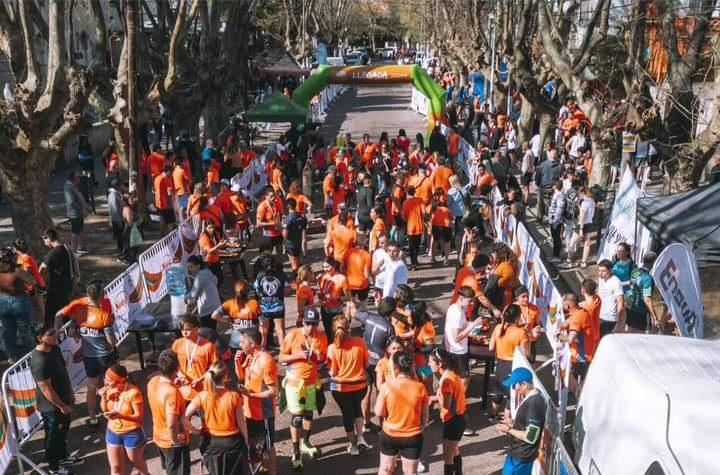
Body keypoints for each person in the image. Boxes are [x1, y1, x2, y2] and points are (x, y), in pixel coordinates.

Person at [55, 281, 117, 426]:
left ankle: (93, 417)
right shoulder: (104, 315)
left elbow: (61, 317)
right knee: (112, 385)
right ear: (101, 296)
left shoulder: (79, 309)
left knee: (91, 387)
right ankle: (111, 412)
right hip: (106, 356)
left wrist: (59, 332)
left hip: (89, 357)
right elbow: (111, 341)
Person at [279, 307, 328, 469]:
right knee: (297, 418)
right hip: (295, 383)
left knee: (308, 414)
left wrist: (315, 357)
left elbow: (323, 358)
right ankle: (296, 453)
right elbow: (281, 358)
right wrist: (298, 356)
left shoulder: (321, 337)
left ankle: (306, 442)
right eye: (307, 323)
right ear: (302, 322)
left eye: (313, 324)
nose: (310, 327)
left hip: (312, 383)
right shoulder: (293, 335)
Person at [31, 326, 82, 475]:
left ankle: (63, 457)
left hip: (64, 399)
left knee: (63, 431)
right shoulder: (39, 361)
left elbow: (64, 371)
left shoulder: (55, 349)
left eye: (55, 332)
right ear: (40, 338)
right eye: (50, 334)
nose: (56, 335)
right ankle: (54, 468)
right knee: (52, 436)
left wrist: (70, 392)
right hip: (51, 407)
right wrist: (60, 406)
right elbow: (46, 389)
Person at [185, 361, 247, 475]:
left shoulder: (202, 396)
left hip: (210, 443)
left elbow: (184, 417)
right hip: (232, 443)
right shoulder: (234, 396)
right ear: (226, 376)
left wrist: (195, 431)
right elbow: (241, 422)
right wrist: (247, 439)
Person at [374, 351, 429, 475]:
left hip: (390, 434)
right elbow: (425, 418)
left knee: (385, 469)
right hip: (412, 436)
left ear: (394, 368)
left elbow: (378, 412)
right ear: (411, 367)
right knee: (410, 472)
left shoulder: (387, 386)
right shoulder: (420, 388)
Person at [235, 327, 278, 475]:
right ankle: (263, 468)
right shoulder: (249, 357)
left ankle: (273, 472)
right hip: (249, 410)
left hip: (263, 412)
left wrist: (251, 395)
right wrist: (236, 363)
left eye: (242, 342)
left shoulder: (266, 360)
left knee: (267, 445)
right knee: (254, 443)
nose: (240, 345)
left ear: (252, 344)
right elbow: (242, 378)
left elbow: (273, 391)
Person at [327, 315, 372, 455]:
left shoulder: (332, 348)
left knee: (347, 414)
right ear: (349, 328)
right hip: (360, 385)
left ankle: (353, 446)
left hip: (341, 388)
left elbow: (333, 372)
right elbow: (366, 364)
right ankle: (360, 438)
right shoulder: (360, 342)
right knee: (357, 409)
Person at [495, 367, 547, 475]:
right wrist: (513, 423)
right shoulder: (531, 398)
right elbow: (526, 424)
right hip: (517, 453)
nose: (514, 389)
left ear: (524, 384)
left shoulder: (534, 403)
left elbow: (531, 437)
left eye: (515, 385)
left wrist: (508, 429)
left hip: (522, 456)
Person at [147, 350, 191, 475]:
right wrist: (176, 443)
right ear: (177, 368)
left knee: (168, 470)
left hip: (159, 436)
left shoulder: (152, 382)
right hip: (172, 441)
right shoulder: (172, 392)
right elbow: (172, 423)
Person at [100, 365, 149, 475]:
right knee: (115, 468)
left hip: (132, 433)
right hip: (113, 431)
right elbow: (104, 409)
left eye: (109, 380)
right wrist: (103, 398)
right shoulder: (108, 389)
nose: (105, 382)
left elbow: (139, 417)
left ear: (119, 381)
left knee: (136, 461)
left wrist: (120, 416)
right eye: (105, 379)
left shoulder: (133, 392)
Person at [428, 349, 467, 475]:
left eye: (431, 362)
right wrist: (432, 398)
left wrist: (435, 399)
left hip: (453, 421)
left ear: (439, 364)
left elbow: (446, 403)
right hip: (459, 418)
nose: (429, 364)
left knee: (447, 459)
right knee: (455, 451)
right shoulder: (452, 374)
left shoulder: (446, 381)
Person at [489, 304, 530, 417]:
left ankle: (493, 415)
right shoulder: (521, 333)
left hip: (500, 364)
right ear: (517, 317)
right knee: (511, 395)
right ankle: (507, 421)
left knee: (498, 391)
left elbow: (491, 348)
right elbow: (526, 354)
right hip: (513, 366)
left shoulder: (498, 328)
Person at [444, 286, 486, 393]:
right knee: (465, 378)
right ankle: (460, 402)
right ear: (461, 298)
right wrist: (473, 325)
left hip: (451, 348)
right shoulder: (458, 314)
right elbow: (457, 337)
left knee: (455, 375)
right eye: (470, 301)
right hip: (458, 350)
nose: (472, 304)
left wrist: (469, 324)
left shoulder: (453, 307)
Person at [171, 314, 218, 401]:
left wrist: (200, 379)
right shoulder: (177, 344)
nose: (184, 333)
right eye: (182, 330)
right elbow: (172, 362)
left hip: (202, 391)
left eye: (188, 330)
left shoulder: (208, 346)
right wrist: (179, 374)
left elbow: (215, 368)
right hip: (183, 391)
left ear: (196, 329)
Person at [0, 249, 35, 360]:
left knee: (8, 332)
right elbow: (33, 281)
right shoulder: (17, 271)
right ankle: (31, 357)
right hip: (20, 301)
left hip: (3, 302)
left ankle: (12, 357)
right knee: (24, 331)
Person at [557, 293, 596, 395]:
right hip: (587, 354)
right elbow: (567, 322)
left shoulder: (576, 319)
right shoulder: (581, 311)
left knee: (576, 382)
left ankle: (579, 400)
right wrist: (561, 327)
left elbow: (570, 339)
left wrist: (558, 337)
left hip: (581, 357)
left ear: (568, 306)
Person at [40, 229, 77, 327]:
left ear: (49, 238)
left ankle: (49, 335)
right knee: (65, 312)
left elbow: (42, 269)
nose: (44, 243)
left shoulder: (52, 253)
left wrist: (40, 282)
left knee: (50, 316)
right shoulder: (66, 248)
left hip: (55, 289)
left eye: (44, 239)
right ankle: (66, 334)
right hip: (67, 286)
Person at [253, 253, 289, 349]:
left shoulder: (259, 276)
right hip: (278, 306)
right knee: (280, 330)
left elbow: (256, 290)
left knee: (263, 331)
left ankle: (263, 351)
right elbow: (287, 292)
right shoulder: (282, 275)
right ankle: (284, 353)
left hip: (264, 307)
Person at [212, 279, 261, 349]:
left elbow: (214, 315)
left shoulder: (229, 304)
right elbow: (262, 323)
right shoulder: (254, 304)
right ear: (248, 292)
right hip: (250, 343)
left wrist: (227, 321)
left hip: (235, 342)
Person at [624, 251, 659, 333]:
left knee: (629, 331)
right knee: (643, 336)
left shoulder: (635, 271)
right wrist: (655, 317)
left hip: (630, 308)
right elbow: (647, 299)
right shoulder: (648, 278)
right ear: (653, 263)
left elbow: (631, 285)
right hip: (641, 311)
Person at [13, 238, 46, 322]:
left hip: (36, 285)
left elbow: (27, 272)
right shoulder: (20, 257)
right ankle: (38, 324)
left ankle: (45, 325)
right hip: (28, 286)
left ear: (16, 248)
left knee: (39, 307)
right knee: (33, 307)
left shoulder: (26, 258)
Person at [186, 255, 221, 329]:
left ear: (198, 266)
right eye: (188, 267)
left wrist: (182, 297)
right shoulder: (207, 272)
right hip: (215, 307)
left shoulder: (199, 277)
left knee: (206, 332)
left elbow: (193, 294)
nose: (189, 269)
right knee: (212, 329)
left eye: (191, 267)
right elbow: (216, 281)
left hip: (207, 310)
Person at [318, 257, 350, 340]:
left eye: (328, 266)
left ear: (334, 265)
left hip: (336, 311)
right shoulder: (324, 277)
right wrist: (318, 284)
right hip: (325, 310)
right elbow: (321, 295)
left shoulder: (342, 278)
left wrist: (336, 298)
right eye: (324, 267)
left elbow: (348, 297)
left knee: (338, 334)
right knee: (328, 334)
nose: (326, 269)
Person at [568, 186, 595, 268]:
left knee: (572, 242)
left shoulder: (584, 203)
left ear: (582, 193)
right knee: (587, 244)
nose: (578, 195)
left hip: (582, 224)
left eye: (579, 194)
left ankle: (569, 259)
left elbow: (582, 216)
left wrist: (580, 229)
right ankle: (584, 262)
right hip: (590, 223)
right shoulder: (592, 201)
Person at [597, 259, 626, 336]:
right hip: (600, 315)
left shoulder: (616, 283)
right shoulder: (601, 279)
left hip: (610, 319)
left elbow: (621, 304)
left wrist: (619, 323)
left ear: (610, 270)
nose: (600, 273)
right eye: (599, 270)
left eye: (603, 271)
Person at [513, 285, 541, 362]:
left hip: (530, 341)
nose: (526, 299)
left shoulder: (534, 308)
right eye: (523, 296)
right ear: (517, 298)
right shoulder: (511, 308)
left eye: (527, 296)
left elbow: (537, 324)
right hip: (516, 342)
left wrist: (537, 330)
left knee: (530, 366)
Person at [64, 171, 88, 256]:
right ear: (74, 179)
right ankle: (73, 251)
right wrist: (81, 210)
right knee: (75, 231)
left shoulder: (73, 186)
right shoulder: (69, 187)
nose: (79, 179)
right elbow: (71, 202)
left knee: (79, 230)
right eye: (78, 177)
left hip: (78, 213)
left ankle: (79, 247)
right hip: (75, 213)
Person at [345, 236, 372, 310]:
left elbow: (342, 267)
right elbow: (366, 275)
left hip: (350, 283)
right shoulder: (367, 255)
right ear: (364, 244)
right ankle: (363, 318)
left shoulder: (348, 252)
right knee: (363, 304)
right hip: (362, 284)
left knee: (350, 303)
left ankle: (348, 318)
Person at [256, 187, 284, 256]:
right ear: (266, 197)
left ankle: (279, 265)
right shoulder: (262, 206)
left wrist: (283, 216)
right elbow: (258, 224)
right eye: (271, 196)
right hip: (268, 235)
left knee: (280, 252)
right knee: (268, 255)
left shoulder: (277, 203)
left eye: (274, 195)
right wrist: (273, 223)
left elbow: (280, 214)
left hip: (278, 232)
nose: (273, 198)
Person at [401, 186, 424, 270]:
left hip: (410, 226)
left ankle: (413, 263)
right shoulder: (420, 200)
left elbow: (403, 216)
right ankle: (415, 260)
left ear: (407, 193)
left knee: (411, 246)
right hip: (419, 225)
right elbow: (424, 212)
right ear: (414, 192)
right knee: (417, 245)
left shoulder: (405, 203)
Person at [283, 197, 307, 274]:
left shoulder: (289, 218)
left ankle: (296, 280)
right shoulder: (301, 216)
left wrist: (281, 227)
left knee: (294, 265)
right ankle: (301, 277)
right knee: (298, 262)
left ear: (288, 206)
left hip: (290, 245)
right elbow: (303, 230)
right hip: (298, 243)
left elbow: (285, 235)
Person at [199, 220, 226, 286]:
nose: (212, 229)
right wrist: (218, 245)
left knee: (220, 278)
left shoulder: (215, 234)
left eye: (213, 227)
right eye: (210, 228)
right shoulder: (204, 237)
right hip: (208, 262)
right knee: (214, 280)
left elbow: (219, 244)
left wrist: (223, 244)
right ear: (205, 228)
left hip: (216, 259)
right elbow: (209, 251)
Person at [154, 165, 176, 235]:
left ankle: (162, 234)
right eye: (171, 172)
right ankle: (170, 236)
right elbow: (169, 193)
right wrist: (175, 191)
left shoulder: (157, 178)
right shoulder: (166, 179)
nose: (172, 174)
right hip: (166, 204)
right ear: (168, 171)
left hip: (158, 202)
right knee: (170, 222)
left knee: (162, 219)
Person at [107, 179, 126, 260]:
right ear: (117, 186)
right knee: (120, 238)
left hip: (120, 219)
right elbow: (115, 211)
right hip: (118, 220)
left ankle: (123, 252)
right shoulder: (113, 196)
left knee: (122, 238)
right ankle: (121, 254)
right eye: (121, 185)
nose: (123, 186)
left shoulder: (117, 194)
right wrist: (119, 222)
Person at [548, 181, 566, 263]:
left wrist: (555, 221)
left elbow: (559, 210)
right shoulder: (557, 195)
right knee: (555, 238)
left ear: (555, 187)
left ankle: (557, 255)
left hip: (556, 221)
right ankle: (554, 254)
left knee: (557, 238)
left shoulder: (560, 197)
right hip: (553, 220)